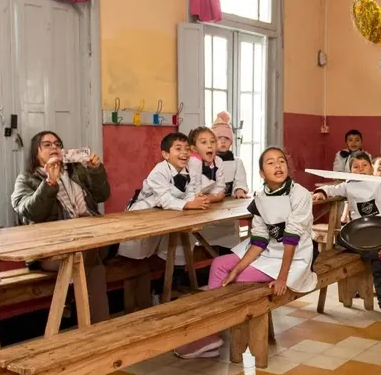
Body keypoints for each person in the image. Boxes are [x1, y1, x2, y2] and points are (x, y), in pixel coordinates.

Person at [175, 147, 318, 359]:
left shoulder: (300, 195)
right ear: (261, 173)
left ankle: (210, 333)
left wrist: (282, 278)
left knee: (225, 279)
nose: (278, 166)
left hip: (294, 257)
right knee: (220, 265)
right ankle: (211, 331)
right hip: (269, 251)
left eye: (281, 161)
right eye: (270, 162)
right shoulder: (260, 197)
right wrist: (237, 268)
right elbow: (259, 241)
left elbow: (291, 239)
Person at [11, 130, 112, 323]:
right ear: (36, 152)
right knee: (92, 261)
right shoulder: (26, 179)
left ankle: (74, 305)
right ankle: (99, 324)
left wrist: (96, 170)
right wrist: (50, 183)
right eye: (47, 145)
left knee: (89, 252)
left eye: (57, 144)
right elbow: (31, 212)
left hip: (90, 240)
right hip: (51, 249)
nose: (54, 148)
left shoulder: (76, 171)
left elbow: (102, 195)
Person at [314, 151, 381, 325]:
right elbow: (332, 189)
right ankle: (380, 255)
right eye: (356, 167)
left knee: (379, 266)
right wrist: (321, 192)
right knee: (342, 241)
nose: (360, 170)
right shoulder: (348, 184)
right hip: (359, 234)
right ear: (350, 170)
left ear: (371, 167)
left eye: (364, 166)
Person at [119, 132, 211, 266]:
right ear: (165, 154)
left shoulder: (188, 170)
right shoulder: (159, 172)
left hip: (165, 214)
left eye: (187, 149)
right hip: (142, 213)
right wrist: (190, 204)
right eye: (178, 148)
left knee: (169, 248)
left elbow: (190, 192)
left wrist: (196, 200)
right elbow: (165, 200)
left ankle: (175, 273)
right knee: (137, 257)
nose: (184, 152)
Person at [201, 112, 250, 250]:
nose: (222, 142)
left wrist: (239, 190)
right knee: (206, 239)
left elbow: (240, 180)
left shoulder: (237, 162)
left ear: (231, 142)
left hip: (229, 207)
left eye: (226, 139)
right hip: (209, 206)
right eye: (218, 138)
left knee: (229, 242)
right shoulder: (204, 162)